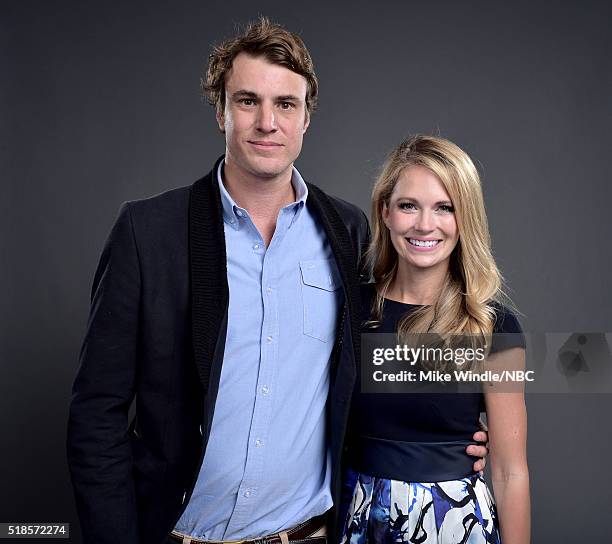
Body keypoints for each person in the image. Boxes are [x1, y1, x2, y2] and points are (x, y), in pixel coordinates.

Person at [66, 19, 489, 544]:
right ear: (220, 110)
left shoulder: (349, 231)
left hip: (308, 535)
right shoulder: (148, 232)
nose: (268, 122)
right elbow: (95, 413)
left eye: (286, 104)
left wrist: (446, 427)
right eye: (247, 101)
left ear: (307, 117)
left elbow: (383, 344)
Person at [340, 135, 530, 543]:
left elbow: (510, 471)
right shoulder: (348, 311)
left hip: (456, 524)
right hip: (357, 518)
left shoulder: (493, 327)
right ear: (385, 212)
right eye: (409, 205)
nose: (425, 225)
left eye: (445, 208)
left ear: (465, 220)